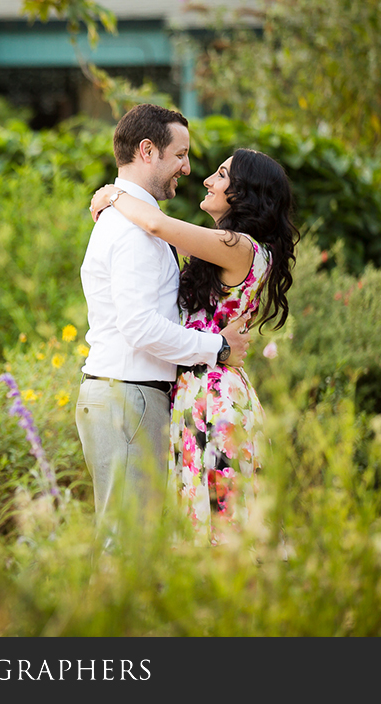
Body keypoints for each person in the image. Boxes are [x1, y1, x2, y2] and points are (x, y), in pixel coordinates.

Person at [88, 146, 299, 545]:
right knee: (205, 520)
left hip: (215, 396)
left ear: (244, 193)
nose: (207, 180)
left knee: (224, 524)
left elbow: (154, 224)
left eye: (221, 175)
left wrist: (113, 195)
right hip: (200, 389)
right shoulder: (223, 246)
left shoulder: (239, 247)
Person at [75, 104, 251, 548]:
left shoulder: (133, 220)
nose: (189, 169)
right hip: (128, 393)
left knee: (130, 542)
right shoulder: (134, 229)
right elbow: (140, 327)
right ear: (147, 150)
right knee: (127, 547)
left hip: (127, 393)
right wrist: (218, 348)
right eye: (180, 155)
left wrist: (112, 196)